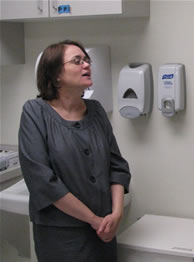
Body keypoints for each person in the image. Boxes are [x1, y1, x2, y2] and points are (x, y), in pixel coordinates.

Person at [18, 40, 131, 262]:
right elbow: (43, 181)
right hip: (60, 238)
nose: (86, 65)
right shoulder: (35, 112)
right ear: (55, 75)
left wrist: (116, 214)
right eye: (77, 61)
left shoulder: (96, 111)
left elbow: (117, 167)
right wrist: (92, 219)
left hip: (104, 233)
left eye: (86, 60)